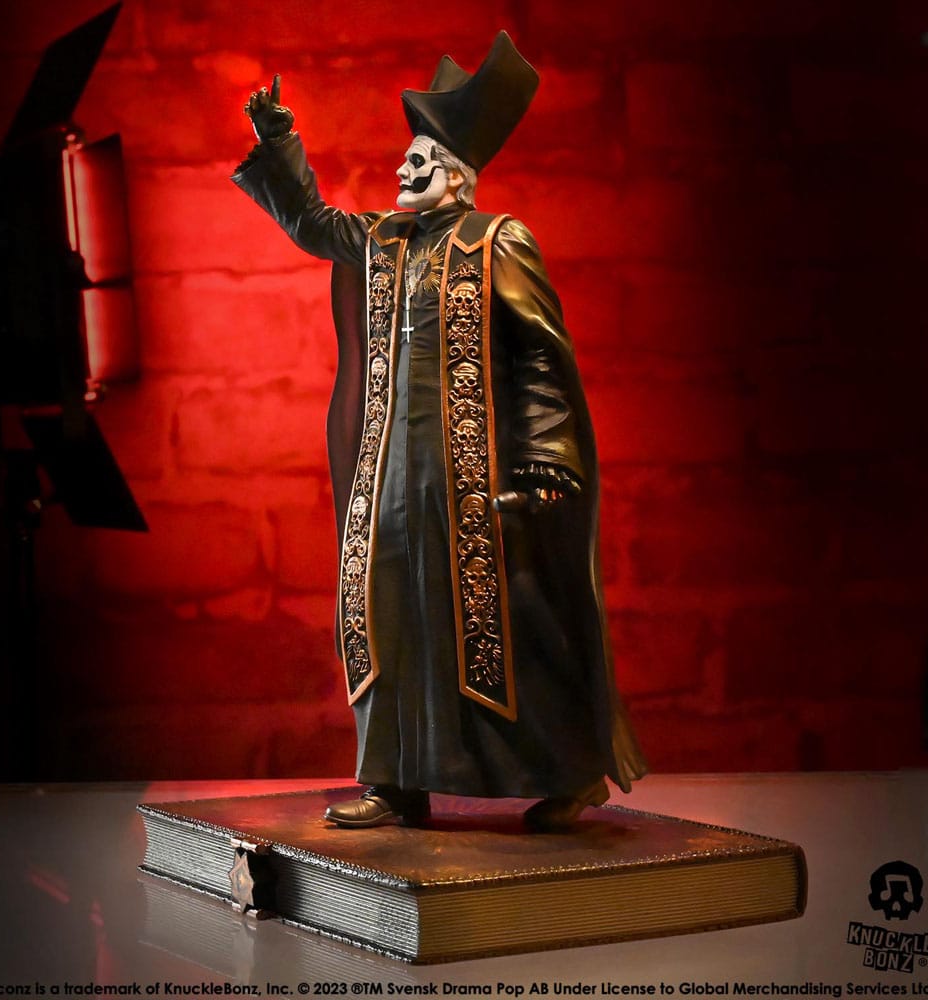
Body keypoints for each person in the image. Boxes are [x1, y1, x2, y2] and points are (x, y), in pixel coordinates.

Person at [233, 32, 646, 831]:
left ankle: (572, 773)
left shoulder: (499, 242)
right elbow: (312, 222)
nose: (404, 169)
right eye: (406, 157)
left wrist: (545, 457)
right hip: (389, 473)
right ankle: (393, 780)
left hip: (475, 474)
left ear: (456, 174)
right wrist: (279, 141)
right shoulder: (380, 240)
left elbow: (540, 356)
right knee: (388, 615)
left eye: (420, 159)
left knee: (508, 628)